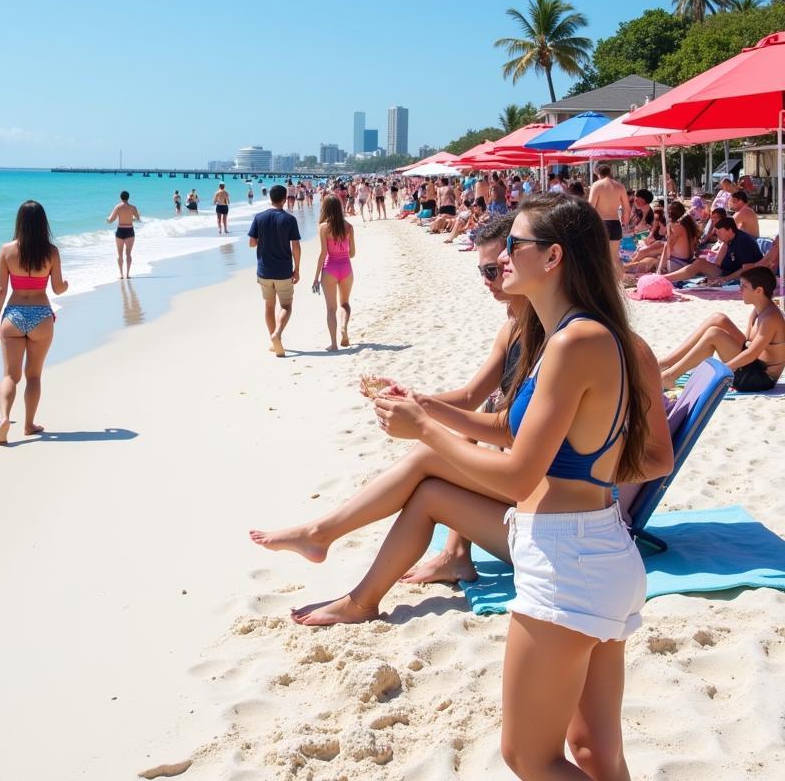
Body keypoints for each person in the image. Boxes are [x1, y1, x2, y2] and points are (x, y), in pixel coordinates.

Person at [290, 194, 673, 780]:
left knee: (531, 757)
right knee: (595, 754)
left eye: (512, 247)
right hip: (595, 552)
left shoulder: (574, 343)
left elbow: (520, 473)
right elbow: (505, 427)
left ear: (553, 258)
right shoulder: (573, 335)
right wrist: (423, 407)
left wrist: (423, 430)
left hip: (569, 560)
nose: (497, 257)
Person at [252, 214, 524, 580]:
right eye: (484, 272)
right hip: (524, 496)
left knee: (433, 455)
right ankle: (452, 554)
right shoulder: (514, 325)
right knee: (442, 458)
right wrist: (412, 399)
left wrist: (424, 421)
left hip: (543, 514)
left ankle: (321, 535)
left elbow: (508, 429)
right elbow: (471, 395)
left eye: (495, 270)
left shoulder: (558, 337)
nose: (490, 281)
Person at [0, 201, 68, 445]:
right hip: (41, 316)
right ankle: (28, 424)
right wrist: (67, 285)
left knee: (10, 376)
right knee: (33, 376)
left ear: (19, 222)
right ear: (43, 222)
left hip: (13, 315)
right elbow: (57, 288)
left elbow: (0, 289)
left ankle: (4, 418)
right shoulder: (51, 252)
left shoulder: (6, 250)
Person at [658, 267, 785, 391]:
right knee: (718, 318)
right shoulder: (758, 310)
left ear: (759, 291)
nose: (739, 290)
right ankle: (667, 363)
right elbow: (745, 343)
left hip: (760, 378)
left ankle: (670, 376)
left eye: (743, 287)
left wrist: (723, 369)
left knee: (714, 334)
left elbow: (751, 354)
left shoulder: (770, 318)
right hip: (753, 365)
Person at [247, 184, 301, 357]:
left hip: (264, 271)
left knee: (269, 306)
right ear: (285, 199)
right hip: (283, 270)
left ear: (270, 198)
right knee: (286, 305)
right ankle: (277, 333)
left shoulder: (259, 217)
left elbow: (251, 243)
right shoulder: (289, 219)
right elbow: (296, 247)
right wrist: (297, 269)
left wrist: (264, 239)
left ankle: (273, 341)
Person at [662, 216, 763, 286]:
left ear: (730, 230)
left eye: (719, 232)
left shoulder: (743, 241)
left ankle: (664, 279)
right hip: (726, 271)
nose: (717, 235)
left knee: (699, 264)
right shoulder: (730, 239)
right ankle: (666, 278)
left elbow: (747, 268)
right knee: (699, 262)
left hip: (733, 275)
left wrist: (726, 279)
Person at [312, 195, 356, 351]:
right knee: (345, 303)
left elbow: (323, 253)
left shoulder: (323, 227)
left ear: (325, 208)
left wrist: (316, 278)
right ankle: (344, 328)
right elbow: (352, 254)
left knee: (331, 309)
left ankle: (334, 344)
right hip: (346, 269)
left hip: (330, 268)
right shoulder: (349, 227)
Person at [589, 163, 631, 271]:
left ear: (598, 174)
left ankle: (602, 285)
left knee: (599, 257)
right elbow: (627, 208)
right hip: (615, 223)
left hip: (601, 223)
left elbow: (590, 207)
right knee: (615, 258)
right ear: (610, 172)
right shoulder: (620, 186)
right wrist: (625, 223)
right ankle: (619, 284)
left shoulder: (597, 186)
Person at [107, 191, 142, 279]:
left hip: (120, 231)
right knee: (128, 254)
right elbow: (138, 218)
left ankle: (121, 275)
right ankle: (128, 274)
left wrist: (107, 220)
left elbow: (111, 220)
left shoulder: (118, 207)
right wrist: (131, 219)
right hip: (130, 230)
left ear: (120, 198)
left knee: (120, 255)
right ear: (128, 198)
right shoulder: (133, 207)